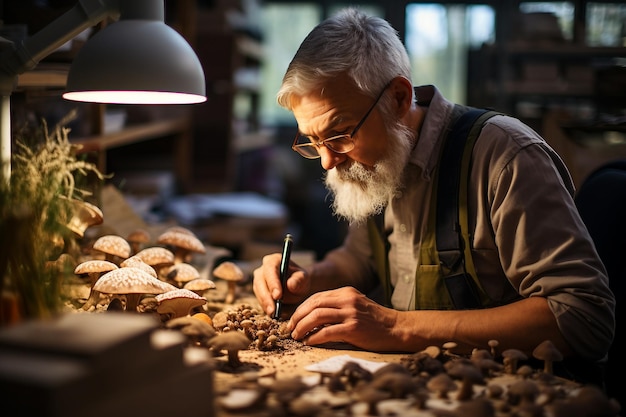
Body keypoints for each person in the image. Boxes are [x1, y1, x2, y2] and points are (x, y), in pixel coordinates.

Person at [253, 8, 615, 383]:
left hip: (512, 391)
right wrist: (308, 282)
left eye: (340, 133)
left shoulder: (505, 156)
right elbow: (361, 259)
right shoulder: (376, 163)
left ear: (397, 98)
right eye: (312, 141)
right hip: (419, 383)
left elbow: (583, 316)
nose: (327, 161)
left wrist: (394, 327)